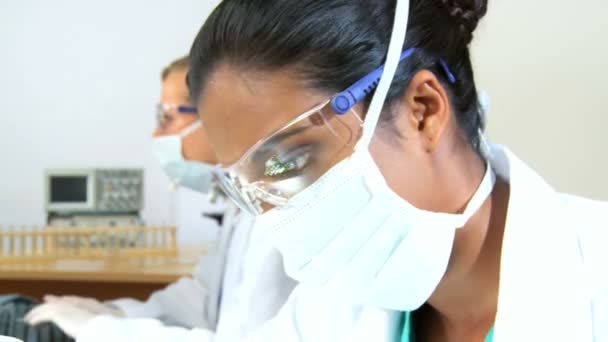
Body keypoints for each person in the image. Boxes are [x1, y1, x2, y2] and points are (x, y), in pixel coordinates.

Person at [185, 0, 608, 341]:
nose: (279, 220)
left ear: (423, 110)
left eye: (290, 161)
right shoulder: (325, 314)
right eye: (251, 188)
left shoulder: (595, 280)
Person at [25, 56, 296, 341]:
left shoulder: (274, 211)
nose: (157, 133)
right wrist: (115, 313)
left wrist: (101, 330)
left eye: (167, 118)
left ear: (217, 115)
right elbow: (202, 299)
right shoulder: (241, 201)